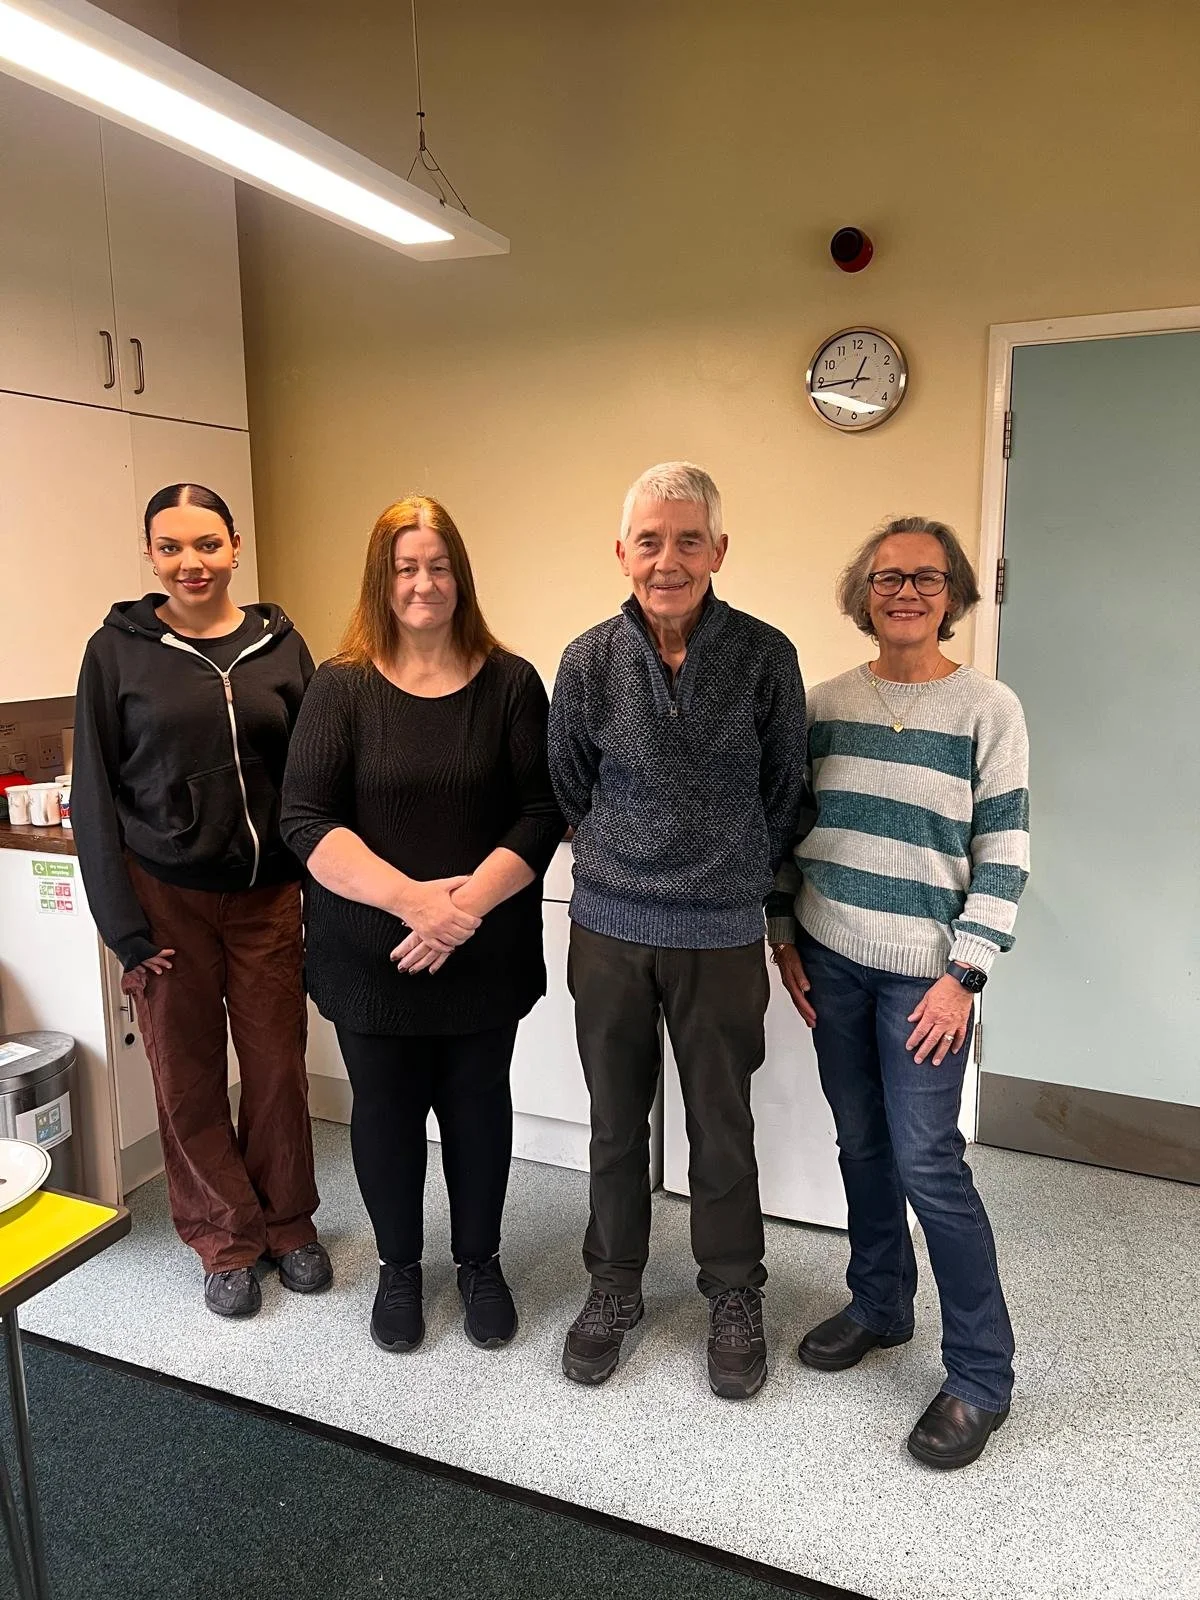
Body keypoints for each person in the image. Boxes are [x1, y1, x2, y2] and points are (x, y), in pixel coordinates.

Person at [768, 515, 1030, 1469]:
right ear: (863, 594)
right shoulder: (823, 703)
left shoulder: (989, 709)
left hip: (929, 978)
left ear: (953, 594)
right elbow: (789, 828)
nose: (906, 592)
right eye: (888, 578)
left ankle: (982, 1377)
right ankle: (881, 1304)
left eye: (926, 577)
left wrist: (966, 976)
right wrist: (783, 933)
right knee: (861, 1142)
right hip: (831, 957)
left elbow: (1004, 853)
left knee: (928, 1161)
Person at [280, 496, 562, 1355]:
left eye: (438, 566)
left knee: (478, 1110)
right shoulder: (341, 688)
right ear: (382, 578)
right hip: (370, 957)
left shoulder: (510, 684)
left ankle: (480, 1263)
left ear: (460, 576)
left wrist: (460, 911)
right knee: (386, 1114)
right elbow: (305, 820)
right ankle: (399, 1267)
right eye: (405, 567)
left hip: (482, 954)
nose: (423, 583)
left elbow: (541, 811)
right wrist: (414, 903)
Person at [548, 461, 806, 1399]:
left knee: (722, 1125)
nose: (669, 560)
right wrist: (627, 859)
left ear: (719, 551)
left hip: (721, 933)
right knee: (616, 1123)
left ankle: (733, 1292)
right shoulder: (587, 661)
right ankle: (615, 1286)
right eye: (650, 541)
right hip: (610, 928)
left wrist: (734, 877)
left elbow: (785, 792)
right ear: (621, 552)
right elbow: (568, 787)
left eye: (689, 540)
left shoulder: (766, 657)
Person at [71, 483, 331, 1319]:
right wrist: (122, 928)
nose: (192, 562)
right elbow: (93, 795)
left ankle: (288, 1224)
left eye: (208, 544)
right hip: (165, 900)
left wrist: (326, 888)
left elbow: (316, 776)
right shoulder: (115, 653)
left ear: (235, 546)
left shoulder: (280, 646)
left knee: (277, 1068)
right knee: (186, 1078)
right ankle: (224, 1240)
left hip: (267, 896)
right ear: (150, 554)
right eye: (172, 546)